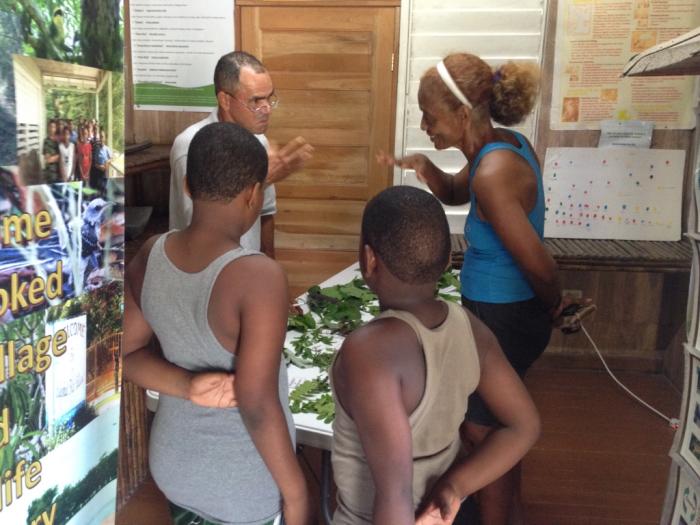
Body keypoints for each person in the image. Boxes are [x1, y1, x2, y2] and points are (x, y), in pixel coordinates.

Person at [378, 53, 576, 525]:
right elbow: (453, 191)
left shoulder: (492, 172)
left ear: (463, 114)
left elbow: (539, 266)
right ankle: (510, 509)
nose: (424, 124)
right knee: (503, 422)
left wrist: (555, 306)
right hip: (501, 311)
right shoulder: (497, 147)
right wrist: (424, 168)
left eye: (430, 115)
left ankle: (494, 518)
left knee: (484, 430)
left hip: (504, 317)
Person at [123, 122, 311, 525]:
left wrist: (188, 387)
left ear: (188, 186)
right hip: (241, 482)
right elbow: (257, 405)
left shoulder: (151, 254)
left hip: (173, 465)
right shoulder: (258, 277)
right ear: (254, 194)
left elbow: (127, 355)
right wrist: (296, 495)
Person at [330, 185, 541, 525]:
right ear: (446, 261)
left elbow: (395, 494)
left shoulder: (368, 351)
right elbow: (525, 426)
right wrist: (456, 486)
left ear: (368, 259)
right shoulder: (469, 327)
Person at [169, 50, 313, 258]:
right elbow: (202, 228)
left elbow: (266, 212)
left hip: (246, 263)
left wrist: (267, 262)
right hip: (202, 267)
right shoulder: (190, 146)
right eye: (255, 101)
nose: (267, 109)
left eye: (269, 98)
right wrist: (263, 180)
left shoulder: (259, 142)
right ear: (225, 100)